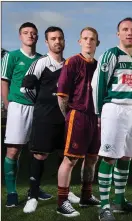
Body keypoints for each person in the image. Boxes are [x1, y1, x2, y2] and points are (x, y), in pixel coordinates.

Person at [91, 17, 132, 221]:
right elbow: (98, 85)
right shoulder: (110, 55)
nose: (129, 33)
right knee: (110, 156)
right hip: (114, 108)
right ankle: (104, 205)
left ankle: (120, 200)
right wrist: (98, 113)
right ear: (118, 34)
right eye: (125, 29)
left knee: (126, 156)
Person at [1, 22, 52, 208]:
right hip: (18, 107)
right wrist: (8, 104)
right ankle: (12, 192)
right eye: (26, 32)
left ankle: (34, 189)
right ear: (20, 36)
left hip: (38, 109)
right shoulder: (11, 56)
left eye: (33, 33)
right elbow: (3, 81)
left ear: (38, 37)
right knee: (13, 151)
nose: (30, 35)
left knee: (38, 151)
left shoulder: (43, 59)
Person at [56, 27, 103, 217]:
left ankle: (86, 195)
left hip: (95, 117)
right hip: (78, 115)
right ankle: (62, 202)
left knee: (92, 158)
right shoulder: (73, 62)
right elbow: (62, 96)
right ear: (79, 41)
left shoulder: (99, 65)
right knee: (71, 160)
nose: (89, 42)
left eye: (92, 39)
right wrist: (69, 116)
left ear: (97, 43)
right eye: (85, 38)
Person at [20, 26, 65, 213]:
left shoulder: (70, 64)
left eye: (60, 38)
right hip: (44, 117)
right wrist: (41, 103)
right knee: (40, 155)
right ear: (46, 42)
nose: (57, 41)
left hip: (65, 118)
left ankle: (66, 193)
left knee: (66, 156)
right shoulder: (40, 63)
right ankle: (33, 195)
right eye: (53, 38)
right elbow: (26, 88)